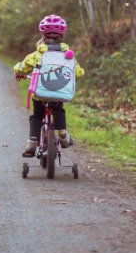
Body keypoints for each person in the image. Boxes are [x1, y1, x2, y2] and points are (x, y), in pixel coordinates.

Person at [13, 15, 84, 156]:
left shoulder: (38, 54)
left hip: (40, 95)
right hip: (58, 94)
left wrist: (18, 71)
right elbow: (78, 73)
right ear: (62, 36)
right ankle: (63, 136)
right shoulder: (67, 55)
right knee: (59, 110)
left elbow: (22, 67)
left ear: (42, 35)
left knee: (37, 115)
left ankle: (32, 142)